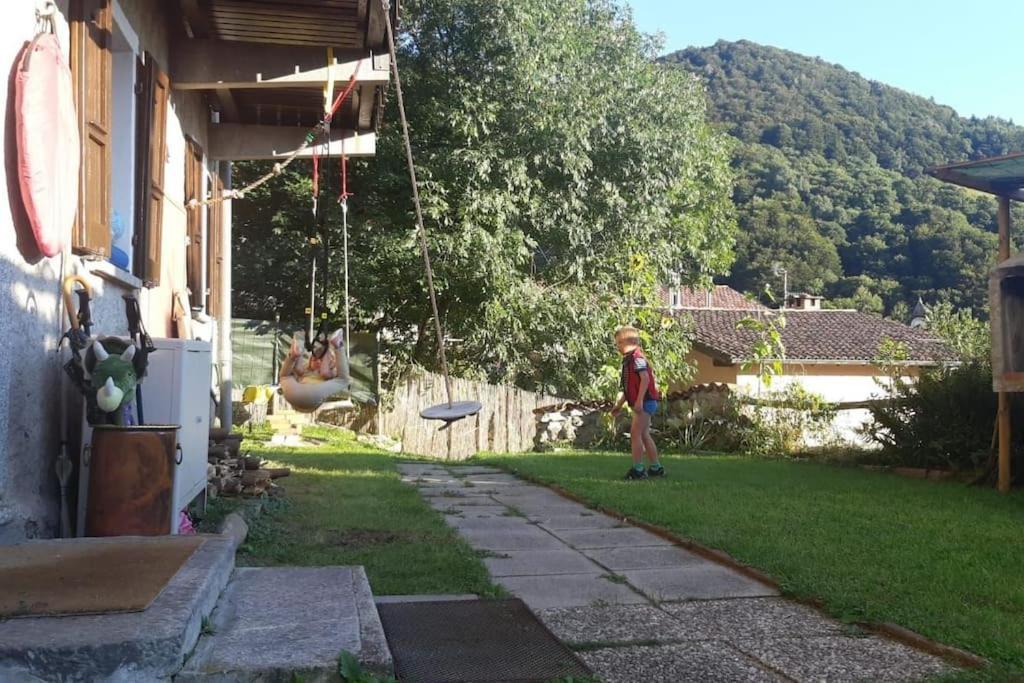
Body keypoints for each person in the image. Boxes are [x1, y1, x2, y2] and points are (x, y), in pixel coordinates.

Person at [610, 325, 664, 480]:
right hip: (644, 402)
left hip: (645, 402)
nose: (617, 346)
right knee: (644, 434)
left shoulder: (637, 359)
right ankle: (656, 468)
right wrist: (619, 405)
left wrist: (639, 401)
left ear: (630, 342)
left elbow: (645, 380)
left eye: (619, 343)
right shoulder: (629, 361)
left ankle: (638, 470)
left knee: (635, 434)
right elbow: (629, 388)